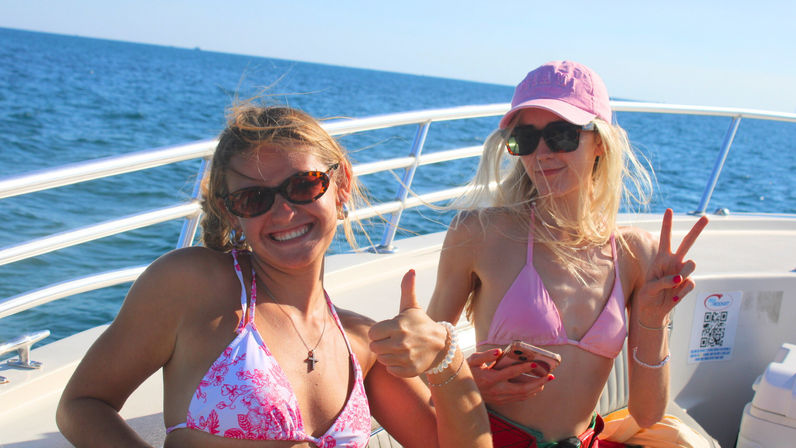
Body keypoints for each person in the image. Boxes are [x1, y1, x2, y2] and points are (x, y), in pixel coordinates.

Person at [56, 104, 491, 447]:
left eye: (304, 185)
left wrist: (446, 356)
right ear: (230, 211)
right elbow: (82, 404)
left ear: (340, 185)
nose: (283, 212)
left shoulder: (362, 342)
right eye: (254, 198)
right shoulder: (194, 285)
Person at [427, 61, 710, 447]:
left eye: (561, 135)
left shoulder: (634, 253)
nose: (541, 153)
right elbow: (420, 364)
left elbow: (647, 415)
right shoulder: (478, 233)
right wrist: (462, 384)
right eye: (524, 139)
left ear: (600, 143)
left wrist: (652, 319)